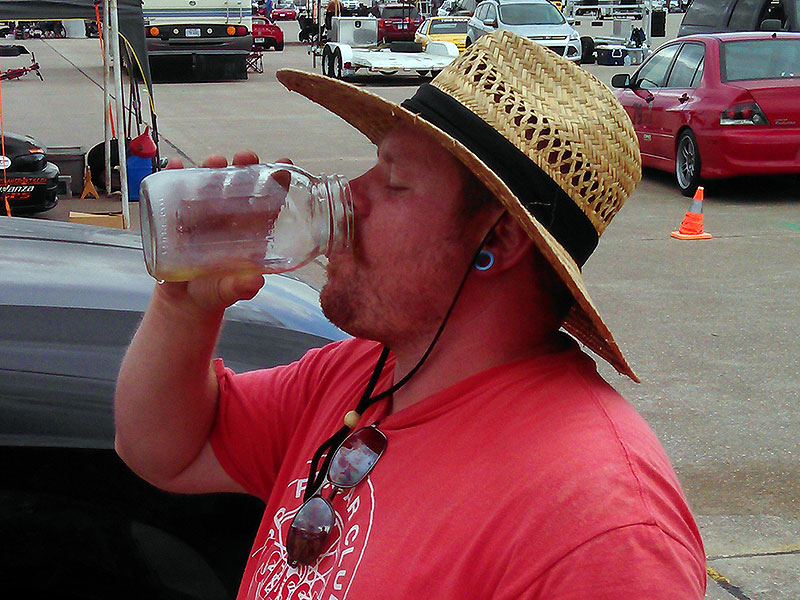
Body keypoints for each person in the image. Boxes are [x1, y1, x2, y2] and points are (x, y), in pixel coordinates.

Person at [115, 30, 706, 599]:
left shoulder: (601, 529)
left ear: (498, 239)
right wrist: (185, 307)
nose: (352, 195)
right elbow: (165, 451)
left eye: (394, 182)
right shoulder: (361, 374)